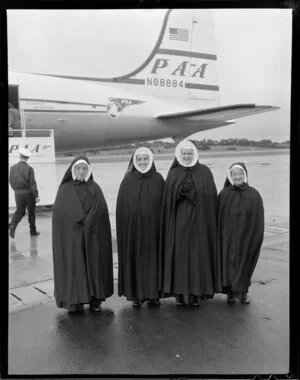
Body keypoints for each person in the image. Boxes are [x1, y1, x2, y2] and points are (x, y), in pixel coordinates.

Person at [159, 140, 219, 306]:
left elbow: (210, 197)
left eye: (189, 154)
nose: (186, 156)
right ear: (179, 155)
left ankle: (196, 295)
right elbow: (168, 200)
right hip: (178, 224)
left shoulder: (205, 172)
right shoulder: (173, 174)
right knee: (179, 257)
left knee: (197, 257)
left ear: (195, 154)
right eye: (184, 154)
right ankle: (180, 295)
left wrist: (194, 193)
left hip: (199, 223)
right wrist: (179, 192)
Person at [52, 156, 114, 312]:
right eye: (78, 168)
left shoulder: (95, 188)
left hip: (92, 236)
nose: (81, 171)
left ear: (88, 170)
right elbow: (61, 214)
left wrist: (89, 222)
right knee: (75, 266)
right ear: (73, 170)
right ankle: (75, 301)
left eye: (84, 168)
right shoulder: (65, 189)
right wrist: (77, 220)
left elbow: (100, 210)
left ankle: (95, 299)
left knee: (94, 266)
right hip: (73, 238)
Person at [116, 147, 165, 307]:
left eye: (145, 159)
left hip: (154, 231)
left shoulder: (158, 179)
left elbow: (165, 206)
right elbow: (122, 209)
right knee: (136, 260)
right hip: (134, 232)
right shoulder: (128, 180)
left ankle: (154, 294)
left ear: (150, 160)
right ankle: (136, 294)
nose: (143, 162)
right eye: (139, 160)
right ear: (135, 162)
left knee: (154, 261)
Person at [216, 162, 264, 304]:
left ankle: (243, 292)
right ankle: (230, 292)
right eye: (234, 174)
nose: (237, 177)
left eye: (240, 174)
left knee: (244, 263)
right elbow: (217, 216)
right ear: (230, 176)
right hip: (228, 237)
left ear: (245, 175)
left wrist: (255, 236)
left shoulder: (254, 195)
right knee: (227, 263)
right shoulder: (224, 194)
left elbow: (258, 219)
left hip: (246, 237)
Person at [9, 147, 40, 238]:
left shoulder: (12, 168)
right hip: (28, 194)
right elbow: (32, 183)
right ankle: (32, 231)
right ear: (27, 158)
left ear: (20, 156)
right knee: (31, 212)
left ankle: (12, 225)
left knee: (19, 211)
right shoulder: (29, 169)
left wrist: (16, 190)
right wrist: (36, 195)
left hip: (18, 194)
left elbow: (10, 181)